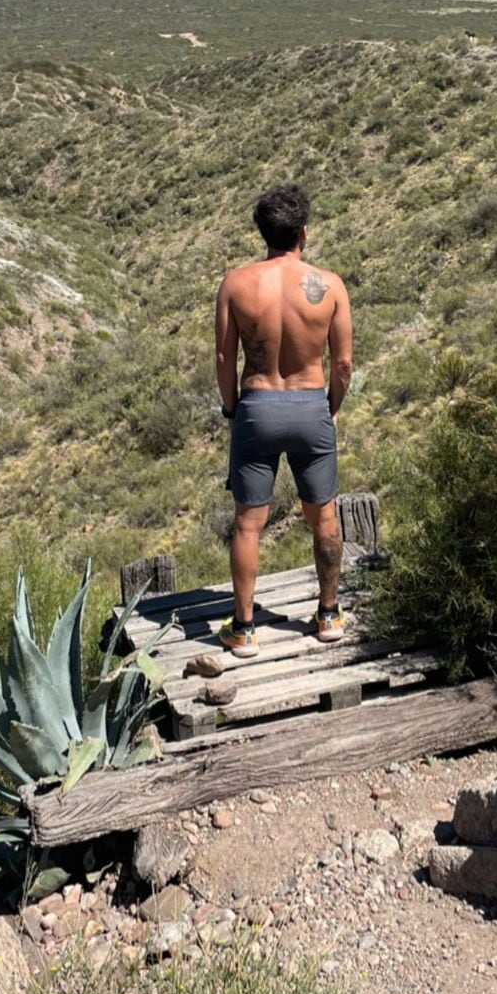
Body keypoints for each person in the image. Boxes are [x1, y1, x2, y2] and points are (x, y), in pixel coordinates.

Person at [214, 183, 353, 660]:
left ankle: (244, 629)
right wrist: (330, 408)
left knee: (248, 525)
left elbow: (222, 357)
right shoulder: (330, 285)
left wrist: (233, 410)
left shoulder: (236, 284)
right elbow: (343, 365)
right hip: (310, 404)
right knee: (325, 517)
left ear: (263, 232)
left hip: (258, 405)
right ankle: (329, 616)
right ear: (304, 234)